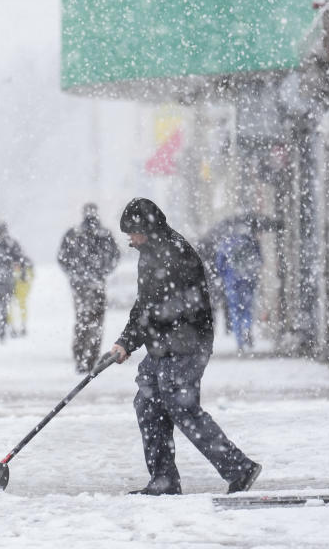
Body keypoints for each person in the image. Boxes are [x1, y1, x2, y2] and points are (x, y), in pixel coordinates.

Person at [109, 198, 261, 496]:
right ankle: (163, 479)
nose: (130, 238)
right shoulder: (151, 252)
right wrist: (126, 341)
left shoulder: (173, 253)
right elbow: (145, 306)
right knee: (148, 404)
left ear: (147, 228)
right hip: (162, 343)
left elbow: (162, 309)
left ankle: (239, 468)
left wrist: (132, 340)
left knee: (182, 407)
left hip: (185, 344)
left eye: (133, 231)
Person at [58, 203, 121, 373]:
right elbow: (115, 256)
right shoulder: (104, 234)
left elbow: (62, 257)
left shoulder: (74, 233)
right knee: (96, 321)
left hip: (80, 284)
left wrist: (74, 274)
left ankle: (80, 356)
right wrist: (103, 272)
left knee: (82, 319)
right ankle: (91, 356)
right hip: (96, 283)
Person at [213, 220, 263, 354]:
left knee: (235, 312)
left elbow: (219, 265)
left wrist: (225, 276)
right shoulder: (250, 242)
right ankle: (247, 328)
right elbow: (260, 260)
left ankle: (240, 341)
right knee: (247, 309)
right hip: (248, 281)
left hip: (232, 282)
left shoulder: (226, 244)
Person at [9, 257, 34, 337]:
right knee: (12, 311)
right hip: (14, 295)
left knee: (21, 311)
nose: (16, 267)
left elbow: (29, 280)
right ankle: (13, 328)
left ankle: (22, 326)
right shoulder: (13, 273)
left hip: (21, 295)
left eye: (17, 265)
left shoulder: (24, 273)